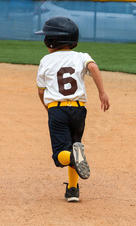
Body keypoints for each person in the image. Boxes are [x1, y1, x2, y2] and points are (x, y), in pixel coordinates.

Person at [35, 16, 110, 202]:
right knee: (75, 146)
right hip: (78, 110)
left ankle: (74, 159)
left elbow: (40, 92)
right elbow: (93, 66)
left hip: (57, 110)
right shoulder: (81, 56)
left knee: (61, 155)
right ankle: (73, 189)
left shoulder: (46, 60)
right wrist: (102, 93)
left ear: (52, 40)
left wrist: (49, 109)